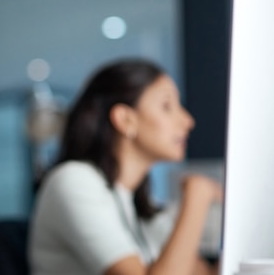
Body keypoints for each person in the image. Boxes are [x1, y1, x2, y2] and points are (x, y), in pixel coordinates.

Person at [28, 58, 222, 275]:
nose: (187, 121)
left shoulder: (138, 206)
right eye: (167, 106)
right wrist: (197, 197)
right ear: (125, 119)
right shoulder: (73, 181)